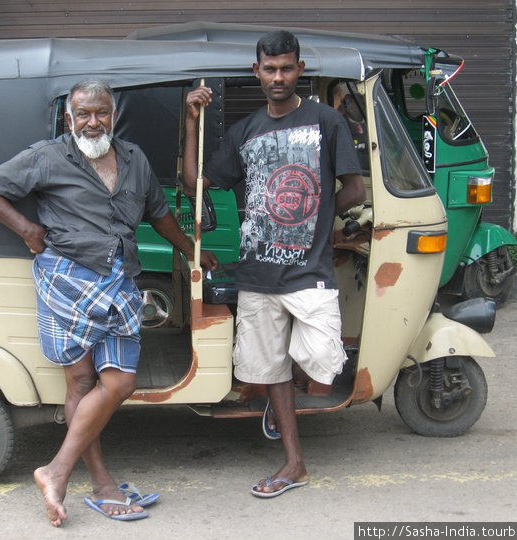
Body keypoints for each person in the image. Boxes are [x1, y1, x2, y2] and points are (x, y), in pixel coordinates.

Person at [0, 80, 217, 525]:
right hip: (68, 278)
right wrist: (26, 230)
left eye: (100, 113)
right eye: (83, 114)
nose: (92, 122)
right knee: (81, 384)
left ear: (113, 115)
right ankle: (101, 483)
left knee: (120, 383)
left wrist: (192, 251)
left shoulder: (134, 159)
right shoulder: (47, 156)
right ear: (69, 118)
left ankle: (56, 471)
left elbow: (159, 215)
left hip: (119, 279)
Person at [183, 31, 365, 498]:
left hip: (309, 273)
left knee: (324, 361)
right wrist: (190, 121)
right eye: (270, 69)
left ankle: (280, 415)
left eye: (287, 68)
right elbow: (193, 185)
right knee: (270, 374)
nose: (278, 77)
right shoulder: (245, 132)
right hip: (259, 276)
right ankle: (294, 463)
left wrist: (318, 218)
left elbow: (354, 190)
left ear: (299, 70)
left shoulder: (325, 121)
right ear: (257, 72)